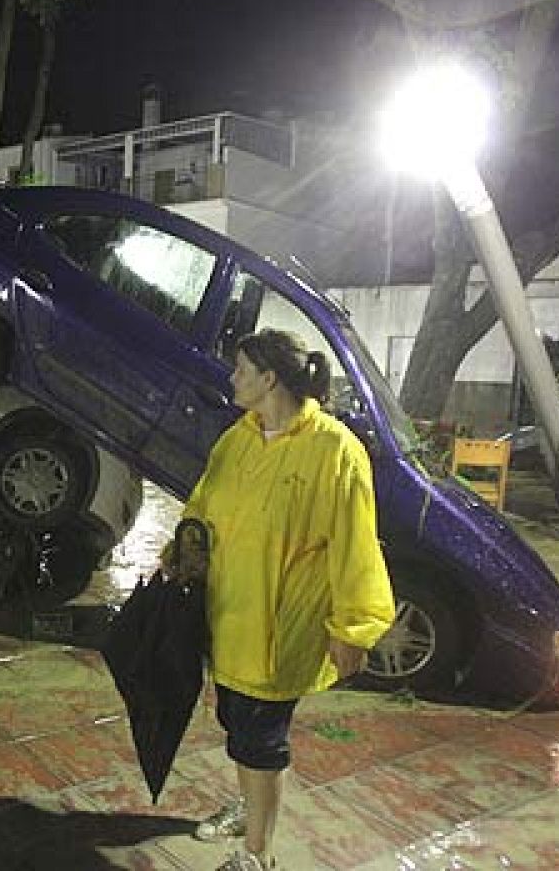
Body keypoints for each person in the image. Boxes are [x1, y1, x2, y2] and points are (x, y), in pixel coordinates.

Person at [167, 329, 395, 871]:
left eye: (242, 370)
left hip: (281, 624)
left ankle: (258, 854)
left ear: (270, 379)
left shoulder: (334, 449)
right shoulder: (237, 439)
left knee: (261, 739)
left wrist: (354, 627)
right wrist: (180, 549)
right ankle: (251, 808)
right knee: (237, 724)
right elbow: (202, 505)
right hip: (228, 617)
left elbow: (354, 543)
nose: (232, 379)